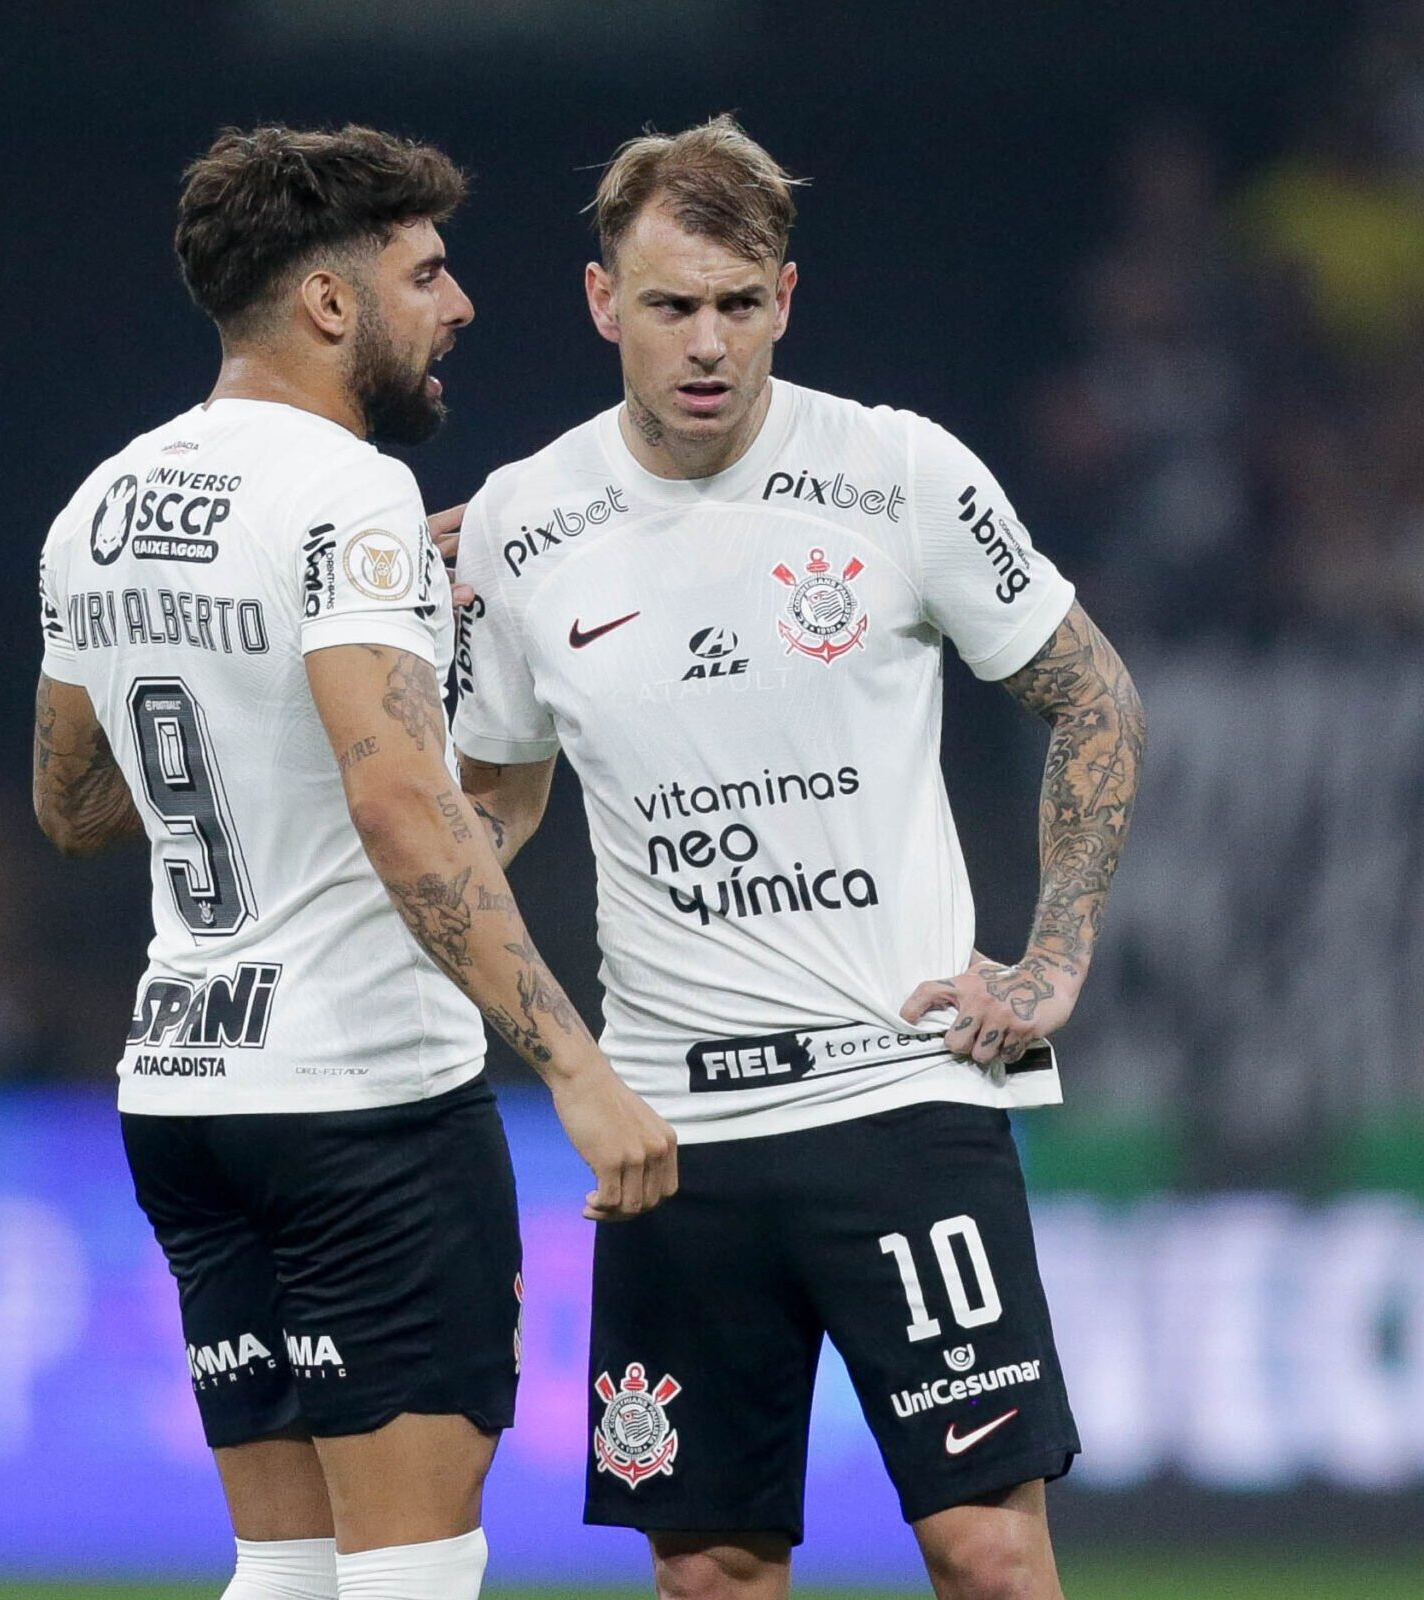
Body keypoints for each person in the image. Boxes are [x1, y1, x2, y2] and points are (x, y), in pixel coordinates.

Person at [446, 117, 1145, 1600]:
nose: (707, 343)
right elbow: (493, 804)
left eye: (738, 304)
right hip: (672, 1135)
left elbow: (1091, 690)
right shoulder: (521, 525)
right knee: (707, 1573)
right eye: (670, 305)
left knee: (991, 1556)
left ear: (787, 298)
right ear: (598, 303)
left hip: (900, 1093)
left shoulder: (897, 474)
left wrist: (1060, 947)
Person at [31, 124, 677, 1600]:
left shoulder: (101, 509)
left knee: (287, 1566)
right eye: (427, 273)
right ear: (331, 304)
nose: (457, 308)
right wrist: (573, 1065)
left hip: (190, 1096)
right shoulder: (348, 494)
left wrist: (296, 664)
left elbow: (73, 801)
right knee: (409, 1575)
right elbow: (404, 809)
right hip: (362, 1106)